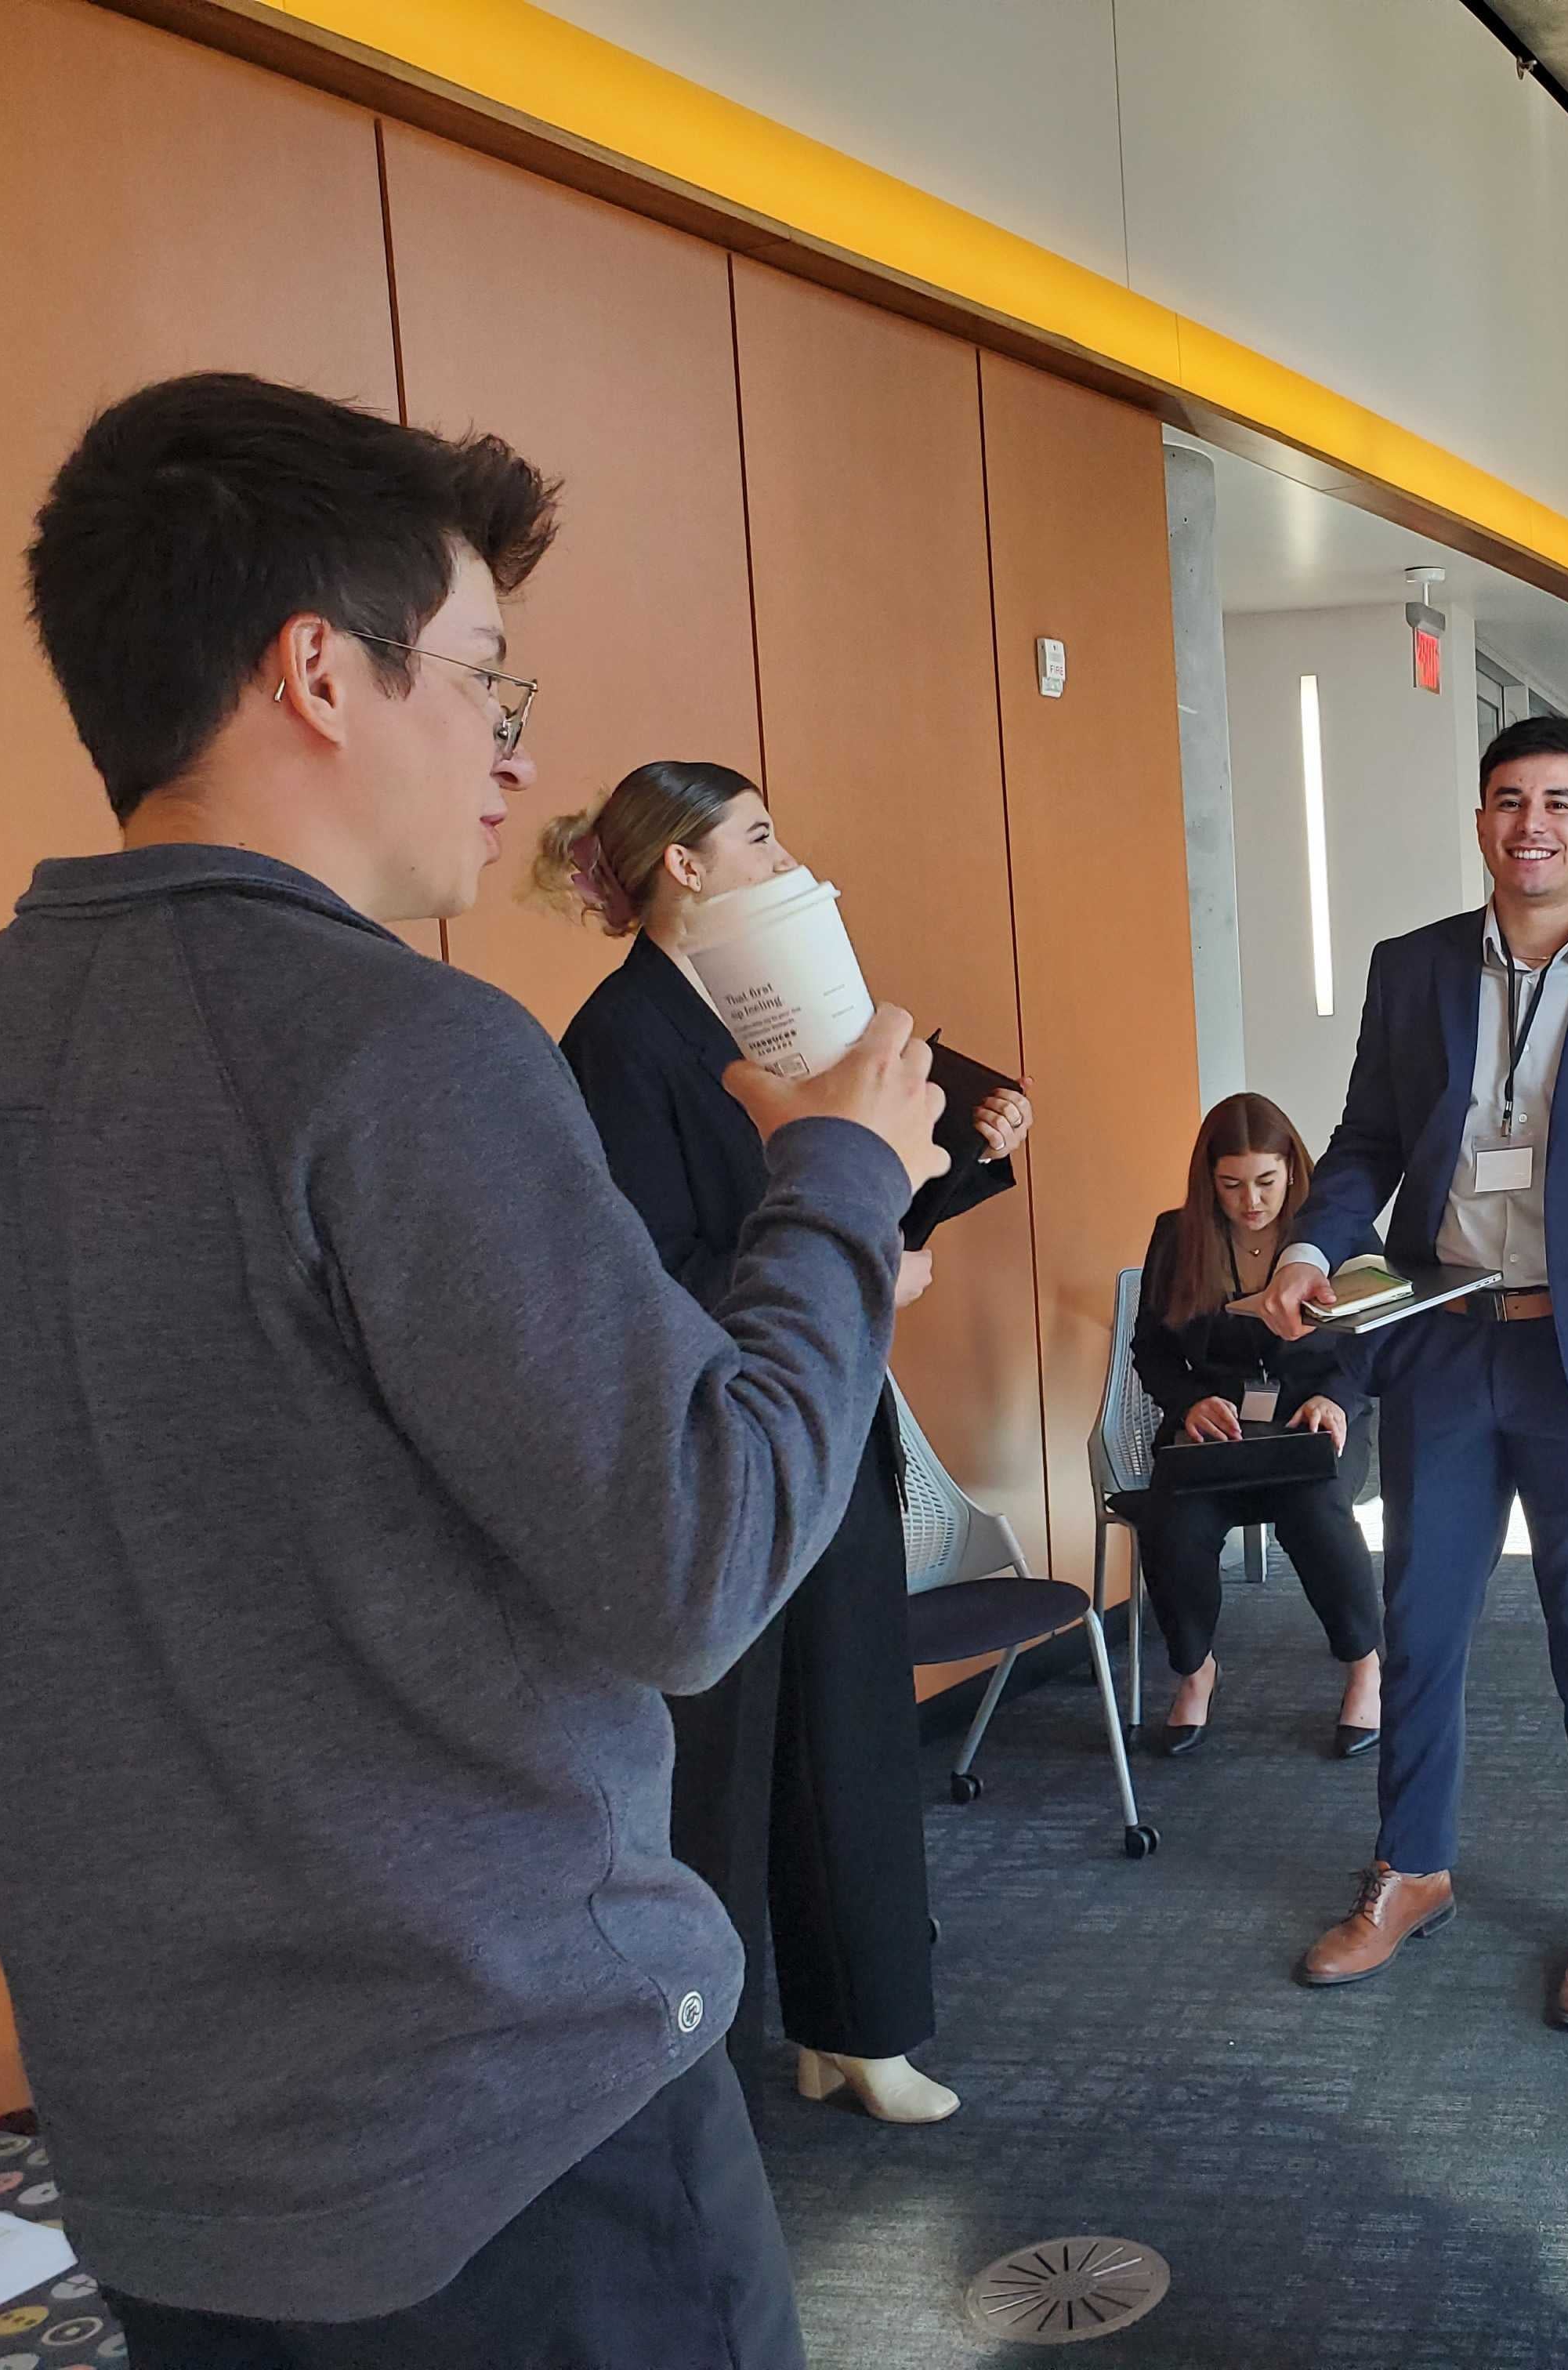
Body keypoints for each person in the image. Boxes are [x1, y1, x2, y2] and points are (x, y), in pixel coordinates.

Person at [0, 373, 945, 2366]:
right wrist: (841, 1172)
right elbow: (702, 1560)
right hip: (519, 2138)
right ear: (320, 670)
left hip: (170, 2165)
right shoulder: (403, 1051)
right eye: (486, 674)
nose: (507, 746)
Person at [545, 759, 1032, 2129]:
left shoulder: (780, 1014)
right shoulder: (619, 1037)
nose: (786, 855)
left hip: (823, 1403)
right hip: (714, 1439)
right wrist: (848, 1266)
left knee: (856, 1728)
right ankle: (709, 2068)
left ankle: (858, 2026)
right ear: (682, 865)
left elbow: (870, 1200)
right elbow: (644, 1269)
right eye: (757, 833)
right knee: (724, 1764)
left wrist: (972, 1158)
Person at [1250, 715, 1568, 2030]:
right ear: (1480, 820)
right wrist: (1312, 1241)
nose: (1531, 821)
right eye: (1508, 798)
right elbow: (1361, 1142)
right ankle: (1410, 1867)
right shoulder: (1411, 968)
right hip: (1446, 1340)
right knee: (1420, 1625)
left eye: (1557, 800)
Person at [1128, 1093, 1383, 1756]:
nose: (1251, 1202)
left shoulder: (1341, 1234)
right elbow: (1151, 1348)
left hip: (1312, 1419)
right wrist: (1188, 1404)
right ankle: (1195, 1670)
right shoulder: (1177, 1236)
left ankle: (1364, 1665)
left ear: (1292, 1171)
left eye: (1267, 1182)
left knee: (1316, 1512)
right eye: (1232, 1185)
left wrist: (1336, 1398)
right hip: (1217, 1432)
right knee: (1172, 1525)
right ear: (1208, 1181)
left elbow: (1373, 1339)